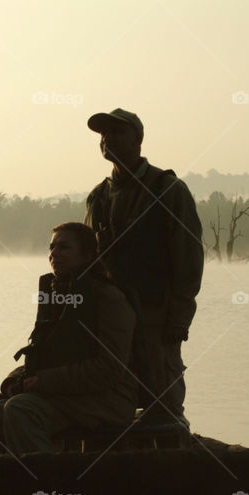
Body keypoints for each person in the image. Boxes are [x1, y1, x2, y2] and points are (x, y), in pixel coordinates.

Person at [0, 222, 137, 456]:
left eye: (64, 247)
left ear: (87, 255)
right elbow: (41, 354)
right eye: (51, 247)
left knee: (20, 409)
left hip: (108, 399)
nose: (54, 254)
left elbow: (109, 368)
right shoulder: (56, 295)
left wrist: (43, 382)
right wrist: (14, 380)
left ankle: (48, 478)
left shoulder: (109, 299)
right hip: (62, 395)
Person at [83, 108, 204, 424]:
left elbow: (189, 261)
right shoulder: (98, 197)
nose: (107, 139)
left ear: (138, 140)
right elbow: (88, 264)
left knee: (164, 407)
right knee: (111, 405)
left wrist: (179, 319)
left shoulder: (168, 190)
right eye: (103, 134)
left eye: (117, 132)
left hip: (156, 319)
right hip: (111, 324)